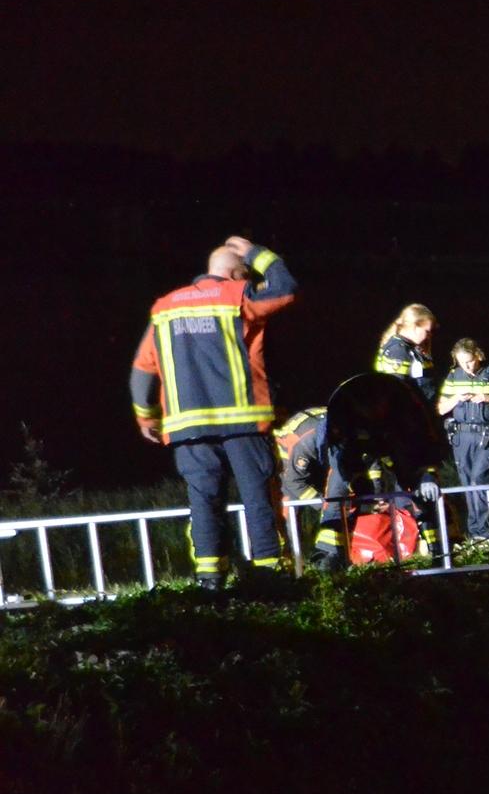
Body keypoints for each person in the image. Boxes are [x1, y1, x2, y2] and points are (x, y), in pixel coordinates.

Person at [130, 235, 297, 589]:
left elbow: (143, 369)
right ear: (236, 273)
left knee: (203, 501)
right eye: (248, 274)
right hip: (243, 423)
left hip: (187, 426)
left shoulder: (164, 308)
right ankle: (269, 575)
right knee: (257, 496)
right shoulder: (237, 297)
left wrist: (146, 416)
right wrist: (254, 251)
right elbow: (285, 289)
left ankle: (210, 579)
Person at [310, 372, 444, 567]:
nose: (371, 411)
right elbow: (336, 454)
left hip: (396, 442)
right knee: (337, 494)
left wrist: (427, 474)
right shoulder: (340, 411)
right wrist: (354, 480)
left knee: (422, 492)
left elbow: (426, 443)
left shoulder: (408, 406)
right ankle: (328, 557)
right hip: (353, 447)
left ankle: (440, 550)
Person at [436, 338, 489, 540]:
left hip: (487, 436)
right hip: (461, 437)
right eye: (462, 362)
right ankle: (475, 532)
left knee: (480, 479)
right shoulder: (453, 376)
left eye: (469, 361)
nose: (467, 366)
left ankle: (484, 532)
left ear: (478, 355)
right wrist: (456, 398)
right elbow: (441, 408)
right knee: (467, 483)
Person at [273, 405, 343, 569]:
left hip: (316, 460)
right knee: (288, 512)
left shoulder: (344, 429)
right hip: (288, 467)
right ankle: (290, 563)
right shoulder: (305, 442)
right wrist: (322, 505)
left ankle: (335, 555)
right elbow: (294, 482)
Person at [374, 304, 439, 410]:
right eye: (427, 331)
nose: (429, 336)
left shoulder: (411, 349)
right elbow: (396, 390)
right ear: (414, 326)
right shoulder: (398, 351)